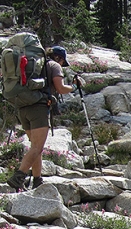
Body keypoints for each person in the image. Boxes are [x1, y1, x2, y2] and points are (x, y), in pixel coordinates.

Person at [7, 45, 81, 190]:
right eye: (62, 62)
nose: (62, 65)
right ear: (58, 58)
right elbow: (60, 88)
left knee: (36, 147)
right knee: (37, 147)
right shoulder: (54, 65)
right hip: (39, 109)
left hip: (23, 109)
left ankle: (37, 180)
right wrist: (74, 87)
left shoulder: (34, 66)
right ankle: (18, 176)